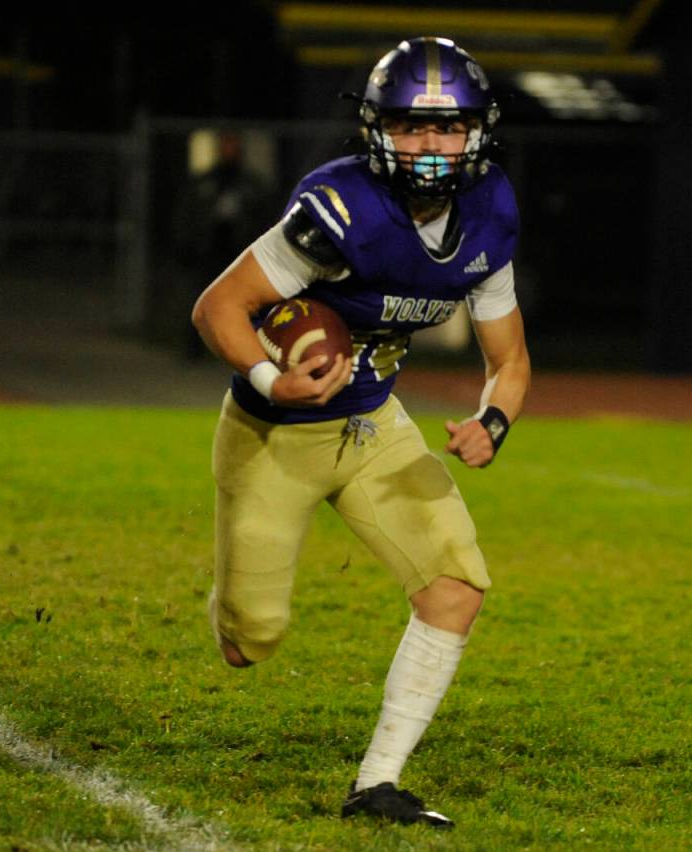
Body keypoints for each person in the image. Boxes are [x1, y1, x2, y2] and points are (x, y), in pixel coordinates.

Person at [191, 37, 530, 827]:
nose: (432, 147)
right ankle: (234, 602)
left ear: (478, 132)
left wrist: (494, 420)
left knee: (455, 587)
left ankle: (377, 784)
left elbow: (508, 359)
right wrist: (276, 377)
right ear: (377, 130)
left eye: (448, 129)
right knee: (253, 642)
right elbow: (218, 307)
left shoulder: (491, 213)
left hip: (375, 424)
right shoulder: (339, 207)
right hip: (275, 433)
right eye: (412, 127)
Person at [173, 130, 273, 360]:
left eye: (233, 144)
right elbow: (188, 214)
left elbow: (264, 218)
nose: (230, 149)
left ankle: (246, 352)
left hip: (239, 251)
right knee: (202, 300)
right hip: (208, 251)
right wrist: (187, 245)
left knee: (247, 305)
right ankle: (195, 350)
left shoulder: (250, 184)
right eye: (226, 144)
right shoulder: (206, 180)